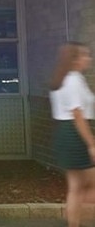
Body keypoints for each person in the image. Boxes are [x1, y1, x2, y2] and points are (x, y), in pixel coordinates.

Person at [49, 42, 95, 227]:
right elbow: (77, 114)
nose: (89, 59)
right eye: (85, 55)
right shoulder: (74, 80)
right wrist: (91, 143)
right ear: (75, 60)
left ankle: (73, 224)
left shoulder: (64, 79)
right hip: (76, 135)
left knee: (75, 188)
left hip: (66, 133)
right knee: (81, 187)